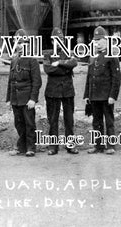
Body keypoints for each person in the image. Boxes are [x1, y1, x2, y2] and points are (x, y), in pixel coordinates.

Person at [84, 26, 121, 154]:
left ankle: (110, 146)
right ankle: (98, 146)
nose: (98, 43)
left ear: (106, 40)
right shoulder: (92, 56)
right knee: (96, 122)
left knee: (109, 121)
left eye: (100, 40)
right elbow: (89, 77)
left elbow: (116, 78)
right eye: (95, 40)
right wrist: (87, 95)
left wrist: (113, 95)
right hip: (94, 95)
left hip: (106, 96)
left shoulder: (111, 56)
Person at [7, 29, 41, 157]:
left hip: (27, 99)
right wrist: (9, 99)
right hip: (15, 98)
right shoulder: (14, 59)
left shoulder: (32, 60)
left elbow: (37, 81)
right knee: (18, 123)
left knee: (29, 123)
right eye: (17, 42)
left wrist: (33, 99)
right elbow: (11, 81)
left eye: (22, 42)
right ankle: (21, 147)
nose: (19, 45)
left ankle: (31, 148)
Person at [44, 27, 78, 155]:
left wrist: (58, 63)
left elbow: (74, 63)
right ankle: (53, 147)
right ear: (52, 41)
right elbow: (48, 69)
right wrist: (65, 68)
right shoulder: (47, 54)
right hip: (53, 91)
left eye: (62, 39)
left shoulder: (69, 52)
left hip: (67, 91)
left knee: (69, 120)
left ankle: (70, 145)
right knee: (53, 119)